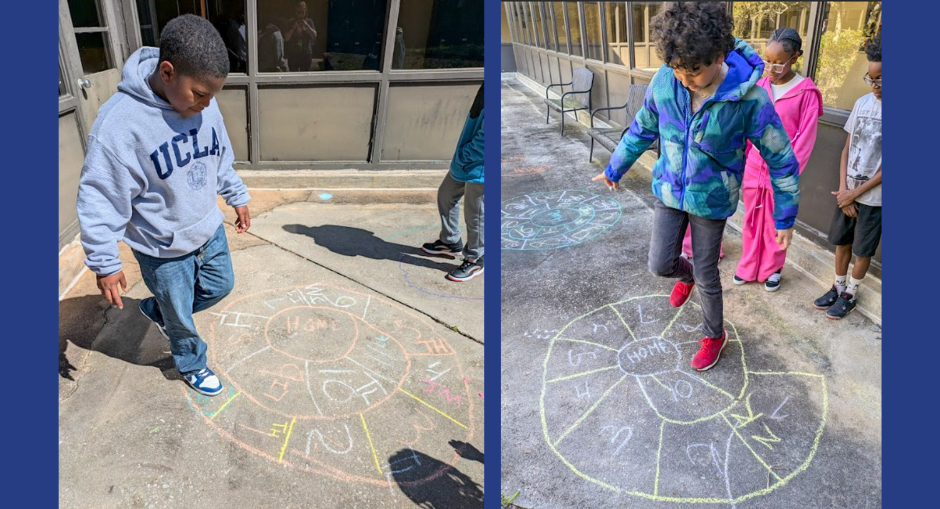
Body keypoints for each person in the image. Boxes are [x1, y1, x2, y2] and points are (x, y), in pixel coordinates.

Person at [592, 2, 800, 371]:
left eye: (694, 72)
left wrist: (785, 216)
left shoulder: (749, 97)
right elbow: (643, 127)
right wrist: (615, 167)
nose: (685, 79)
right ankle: (683, 275)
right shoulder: (666, 79)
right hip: (670, 190)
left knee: (708, 274)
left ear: (719, 55)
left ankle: (714, 335)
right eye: (677, 70)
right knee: (660, 265)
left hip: (712, 198)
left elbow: (781, 158)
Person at [76, 14, 251, 396]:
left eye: (212, 96)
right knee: (182, 318)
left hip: (207, 230)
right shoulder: (120, 126)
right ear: (167, 72)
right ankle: (190, 363)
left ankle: (161, 313)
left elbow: (218, 156)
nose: (206, 105)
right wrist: (104, 261)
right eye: (200, 95)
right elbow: (100, 198)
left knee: (220, 286)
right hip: (162, 248)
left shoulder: (203, 104)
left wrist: (236, 196)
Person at [733, 28, 822, 291]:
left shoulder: (806, 93)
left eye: (779, 62)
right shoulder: (759, 87)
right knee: (750, 218)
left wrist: (787, 171)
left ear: (795, 57)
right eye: (768, 60)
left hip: (781, 172)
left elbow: (805, 139)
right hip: (753, 167)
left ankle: (773, 268)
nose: (771, 67)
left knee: (777, 221)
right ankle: (748, 265)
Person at [813, 35, 881, 320]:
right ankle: (838, 286)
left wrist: (855, 194)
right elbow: (846, 149)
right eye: (871, 78)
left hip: (874, 198)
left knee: (863, 248)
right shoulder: (862, 103)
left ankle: (851, 293)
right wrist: (844, 190)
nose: (875, 85)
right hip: (848, 191)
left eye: (881, 80)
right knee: (842, 241)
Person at [422, 83, 485, 282]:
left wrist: (464, 156)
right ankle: (450, 241)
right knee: (446, 195)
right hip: (465, 162)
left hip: (480, 166)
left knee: (475, 214)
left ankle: (477, 258)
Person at [285, 1, 317, 72]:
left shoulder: (309, 21)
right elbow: (286, 38)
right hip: (293, 54)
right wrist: (293, 28)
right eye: (299, 12)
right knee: (293, 75)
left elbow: (314, 36)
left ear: (306, 12)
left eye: (303, 12)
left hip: (306, 53)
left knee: (304, 75)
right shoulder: (291, 22)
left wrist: (307, 27)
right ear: (295, 12)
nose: (301, 15)